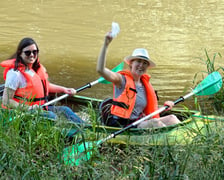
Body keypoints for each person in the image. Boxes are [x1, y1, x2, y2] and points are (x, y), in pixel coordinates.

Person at [96, 31, 181, 128]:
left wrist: (164, 108)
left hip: (139, 121)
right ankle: (167, 140)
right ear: (131, 63)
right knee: (155, 123)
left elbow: (146, 110)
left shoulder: (145, 85)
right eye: (138, 61)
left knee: (172, 118)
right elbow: (100, 70)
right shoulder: (121, 80)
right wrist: (105, 45)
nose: (141, 65)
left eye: (145, 63)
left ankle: (183, 138)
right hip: (123, 125)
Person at [1, 37, 84, 124]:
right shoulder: (15, 74)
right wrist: (28, 108)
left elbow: (45, 86)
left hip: (41, 107)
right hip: (23, 111)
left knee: (65, 110)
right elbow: (6, 101)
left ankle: (86, 128)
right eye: (27, 52)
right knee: (52, 116)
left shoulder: (33, 69)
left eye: (35, 52)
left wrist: (64, 89)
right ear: (20, 53)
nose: (32, 55)